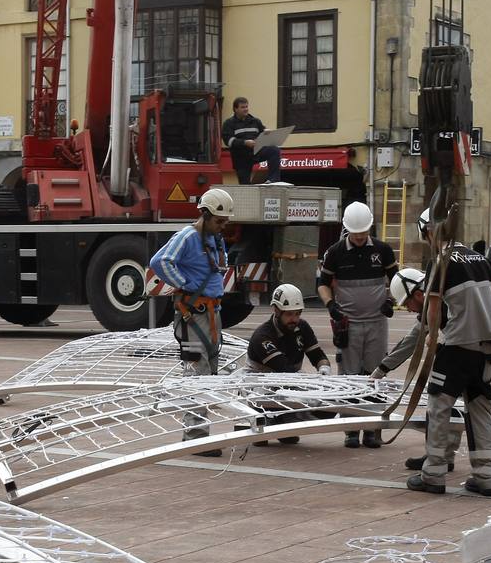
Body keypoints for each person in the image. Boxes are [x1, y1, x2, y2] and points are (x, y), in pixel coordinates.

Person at [376, 268, 491, 489]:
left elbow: (449, 328)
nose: (408, 310)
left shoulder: (446, 297)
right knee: (457, 394)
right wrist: (380, 371)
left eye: (406, 303)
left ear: (417, 295)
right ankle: (441, 458)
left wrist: (442, 339)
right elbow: (413, 339)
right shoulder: (435, 300)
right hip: (483, 346)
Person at [404, 209, 491, 496]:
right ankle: (486, 477)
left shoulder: (441, 261)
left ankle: (434, 473)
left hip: (459, 345)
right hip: (490, 346)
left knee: (439, 406)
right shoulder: (481, 259)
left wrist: (433, 340)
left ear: (428, 232)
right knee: (480, 408)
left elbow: (434, 313)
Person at [150, 187, 234, 457]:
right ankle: (196, 436)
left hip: (211, 313)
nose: (222, 226)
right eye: (219, 221)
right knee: (197, 374)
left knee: (209, 374)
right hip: (193, 314)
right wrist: (184, 284)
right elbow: (160, 261)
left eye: (225, 222)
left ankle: (198, 433)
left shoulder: (214, 239)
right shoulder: (187, 236)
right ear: (205, 214)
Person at [317, 201, 398, 448]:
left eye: (364, 232)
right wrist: (330, 305)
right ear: (347, 229)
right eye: (356, 232)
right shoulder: (335, 252)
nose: (360, 236)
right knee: (349, 376)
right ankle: (351, 429)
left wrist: (390, 300)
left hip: (377, 321)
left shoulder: (383, 250)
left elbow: (397, 280)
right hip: (348, 323)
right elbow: (322, 283)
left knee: (375, 374)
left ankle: (372, 429)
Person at [245, 283, 332, 446]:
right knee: (266, 411)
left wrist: (324, 369)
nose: (294, 319)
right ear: (276, 311)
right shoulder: (263, 336)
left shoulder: (302, 327)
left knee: (326, 408)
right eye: (289, 314)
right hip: (261, 385)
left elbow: (317, 354)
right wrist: (311, 387)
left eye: (298, 314)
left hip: (289, 381)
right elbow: (283, 369)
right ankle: (266, 420)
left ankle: (285, 420)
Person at [221, 97, 282, 185]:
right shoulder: (229, 123)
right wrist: (245, 143)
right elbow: (228, 141)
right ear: (235, 109)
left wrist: (266, 132)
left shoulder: (255, 121)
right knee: (245, 185)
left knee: (274, 150)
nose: (246, 109)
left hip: (255, 152)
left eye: (246, 107)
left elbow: (262, 131)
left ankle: (273, 180)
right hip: (241, 158)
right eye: (242, 107)